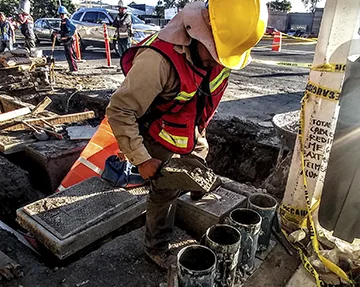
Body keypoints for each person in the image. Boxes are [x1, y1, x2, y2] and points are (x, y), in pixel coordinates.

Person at [106, 0, 267, 269]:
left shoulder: (219, 54)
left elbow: (206, 95)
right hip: (158, 131)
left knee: (199, 159)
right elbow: (120, 110)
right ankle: (155, 248)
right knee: (164, 192)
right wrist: (142, 159)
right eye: (215, 52)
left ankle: (192, 189)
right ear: (199, 31)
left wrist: (198, 132)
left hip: (189, 126)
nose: (218, 61)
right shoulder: (157, 60)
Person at [58, 6, 78, 74]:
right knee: (67, 55)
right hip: (65, 41)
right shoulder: (62, 21)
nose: (61, 15)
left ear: (65, 14)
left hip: (69, 40)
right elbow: (63, 31)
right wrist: (58, 33)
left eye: (62, 14)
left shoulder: (67, 20)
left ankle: (74, 69)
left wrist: (68, 36)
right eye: (60, 14)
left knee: (71, 54)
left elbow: (74, 28)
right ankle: (71, 68)